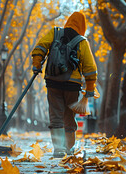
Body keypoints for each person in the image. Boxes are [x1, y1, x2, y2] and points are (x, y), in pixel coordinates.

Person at [31, 12, 97, 158]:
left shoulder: (55, 33)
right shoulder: (82, 42)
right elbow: (90, 68)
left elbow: (40, 47)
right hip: (72, 86)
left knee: (55, 116)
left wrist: (37, 64)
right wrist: (90, 89)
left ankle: (58, 149)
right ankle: (69, 148)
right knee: (69, 117)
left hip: (52, 81)